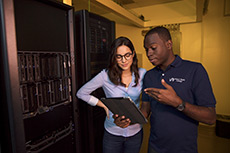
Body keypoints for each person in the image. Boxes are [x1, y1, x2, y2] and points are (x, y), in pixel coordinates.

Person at [140, 26, 216, 153]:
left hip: (184, 149)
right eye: (146, 49)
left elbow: (211, 118)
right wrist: (129, 119)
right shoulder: (149, 76)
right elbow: (145, 110)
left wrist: (178, 103)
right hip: (154, 147)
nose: (148, 54)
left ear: (169, 44)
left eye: (153, 48)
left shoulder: (195, 70)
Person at [76, 36, 146, 153]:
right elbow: (81, 93)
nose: (124, 60)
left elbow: (148, 100)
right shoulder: (105, 75)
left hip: (135, 133)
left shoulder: (142, 73)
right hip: (112, 133)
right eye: (119, 56)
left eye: (127, 55)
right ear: (114, 58)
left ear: (133, 54)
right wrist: (103, 105)